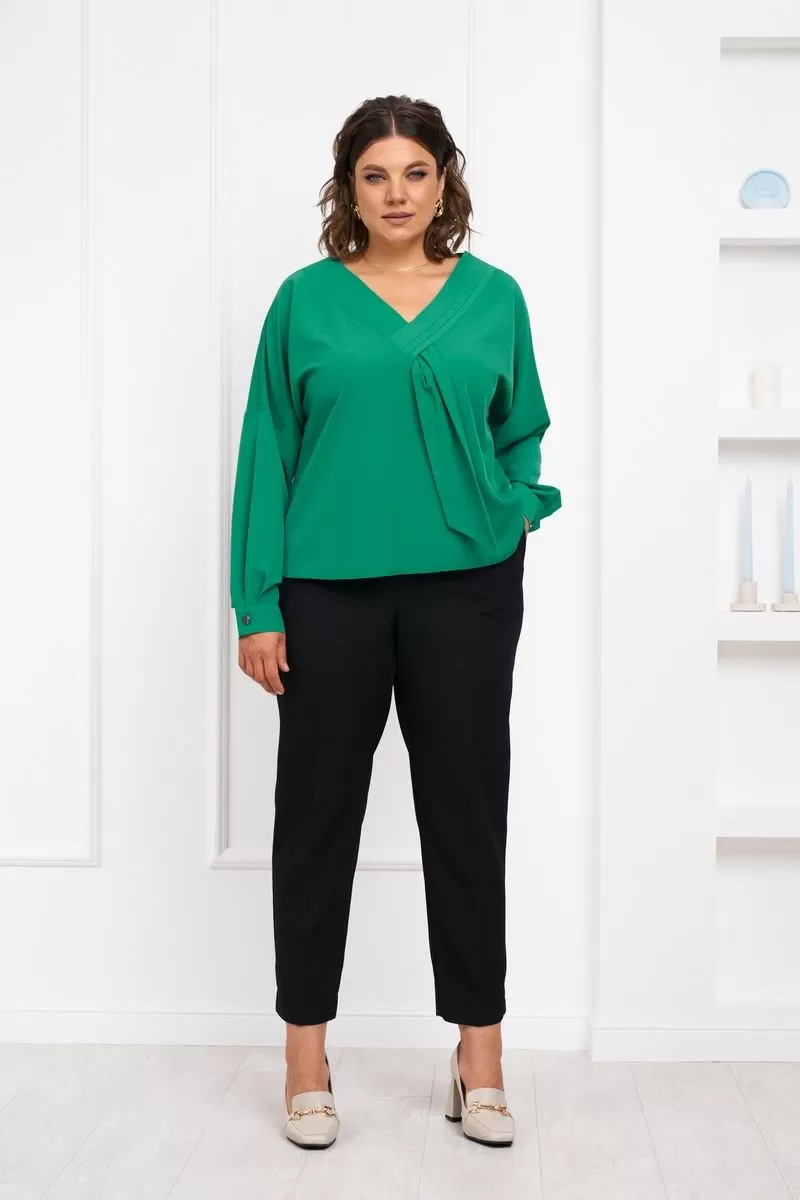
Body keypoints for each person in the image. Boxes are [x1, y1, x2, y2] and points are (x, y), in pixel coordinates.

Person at [229, 94, 562, 1150]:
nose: (397, 194)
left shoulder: (495, 298)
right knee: (314, 819)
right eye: (374, 176)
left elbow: (521, 427)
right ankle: (305, 1057)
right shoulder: (304, 301)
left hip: (467, 589)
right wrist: (257, 601)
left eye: (415, 173)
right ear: (349, 189)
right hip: (326, 593)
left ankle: (479, 1057)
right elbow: (267, 451)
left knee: (466, 813)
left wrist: (512, 509)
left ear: (443, 180)